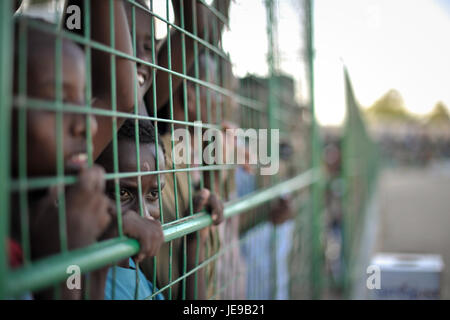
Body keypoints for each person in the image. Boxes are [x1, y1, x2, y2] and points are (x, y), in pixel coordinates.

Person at [96, 119, 166, 300]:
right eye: (121, 193)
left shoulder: (135, 271)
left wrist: (194, 242)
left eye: (153, 194)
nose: (143, 214)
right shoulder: (75, 279)